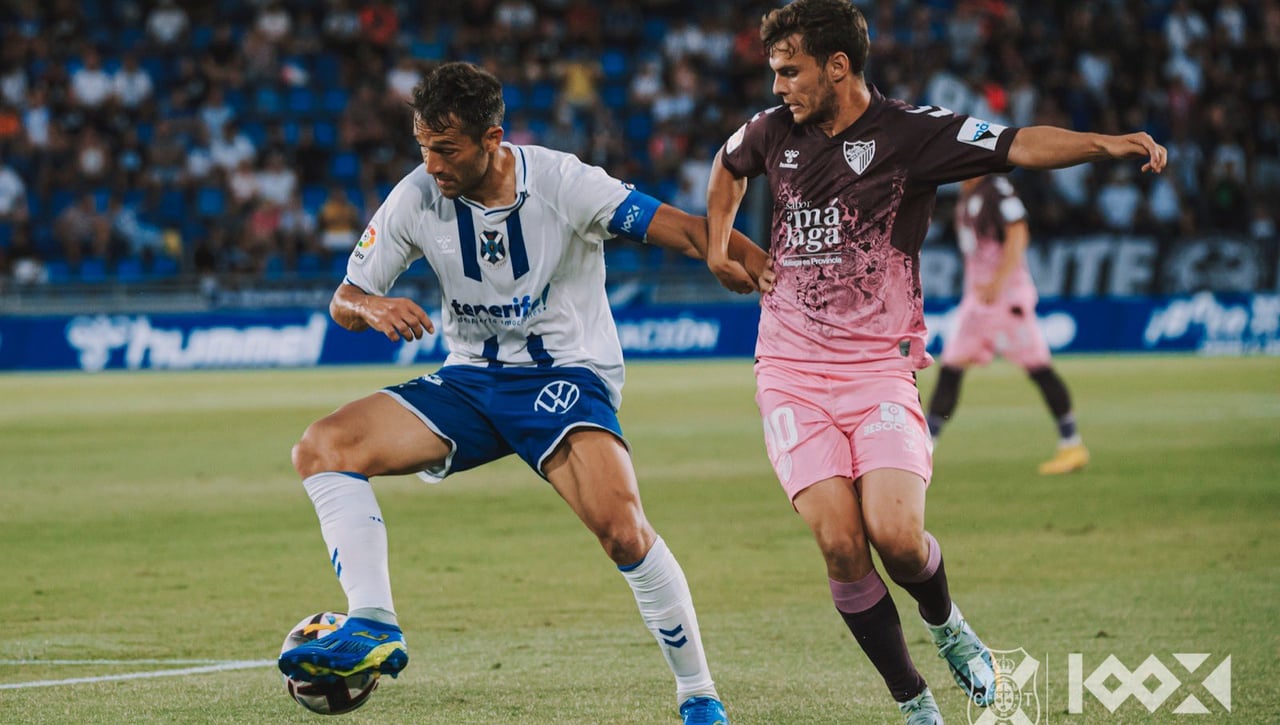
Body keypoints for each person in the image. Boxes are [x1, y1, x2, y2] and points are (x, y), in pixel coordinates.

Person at [702, 1, 1166, 723]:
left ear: (838, 67)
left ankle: (948, 625)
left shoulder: (915, 135)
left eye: (790, 72)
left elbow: (1017, 143)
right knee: (840, 543)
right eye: (773, 73)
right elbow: (726, 168)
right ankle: (915, 702)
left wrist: (1105, 144)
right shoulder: (773, 131)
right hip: (789, 367)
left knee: (897, 538)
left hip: (878, 367)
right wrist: (717, 244)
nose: (778, 87)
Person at [277, 61, 771, 725]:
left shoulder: (562, 182)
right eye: (423, 146)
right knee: (322, 446)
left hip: (565, 375)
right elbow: (345, 295)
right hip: (471, 379)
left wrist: (755, 266)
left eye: (446, 149)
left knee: (623, 530)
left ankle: (699, 694)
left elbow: (681, 227)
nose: (433, 164)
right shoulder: (416, 195)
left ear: (491, 138)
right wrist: (371, 306)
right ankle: (373, 619)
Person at [926, 174, 1090, 475]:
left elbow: (1017, 232)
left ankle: (1072, 444)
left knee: (1038, 367)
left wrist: (998, 282)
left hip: (1004, 301)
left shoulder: (995, 190)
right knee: (951, 368)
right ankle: (923, 448)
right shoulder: (969, 193)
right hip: (977, 303)